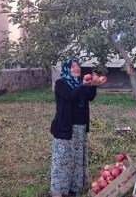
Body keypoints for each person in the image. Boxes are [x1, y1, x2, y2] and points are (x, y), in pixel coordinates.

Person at [50, 58, 99, 197]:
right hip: (65, 127)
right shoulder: (61, 83)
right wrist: (84, 85)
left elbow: (90, 97)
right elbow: (70, 97)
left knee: (77, 158)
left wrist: (93, 85)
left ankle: (75, 187)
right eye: (72, 67)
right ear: (66, 69)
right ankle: (59, 191)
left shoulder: (79, 83)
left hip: (80, 127)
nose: (76, 68)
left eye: (77, 66)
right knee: (63, 159)